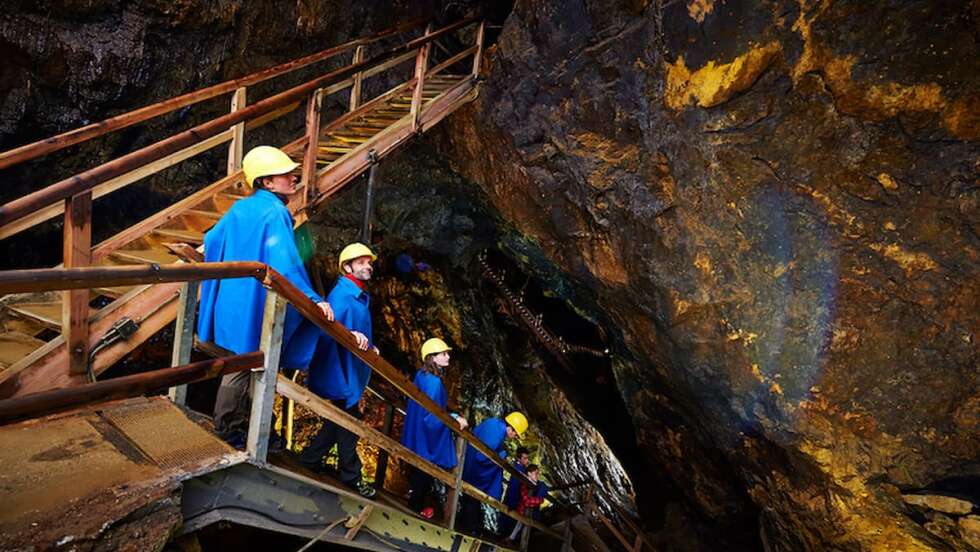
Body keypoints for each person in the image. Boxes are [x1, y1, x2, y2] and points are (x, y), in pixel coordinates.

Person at [197, 145, 334, 448]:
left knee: (241, 361)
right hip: (255, 304)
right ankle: (229, 429)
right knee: (247, 363)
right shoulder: (275, 212)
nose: (293, 177)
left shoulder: (240, 208)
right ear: (266, 182)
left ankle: (249, 427)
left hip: (231, 300)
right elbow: (286, 263)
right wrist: (313, 298)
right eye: (285, 174)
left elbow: (211, 239)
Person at [300, 242, 379, 498]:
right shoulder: (342, 295)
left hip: (348, 367)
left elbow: (359, 331)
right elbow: (331, 329)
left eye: (369, 262)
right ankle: (351, 475)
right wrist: (349, 335)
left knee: (342, 419)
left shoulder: (358, 294)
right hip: (340, 368)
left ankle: (311, 459)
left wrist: (370, 347)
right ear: (347, 267)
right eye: (362, 262)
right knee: (348, 421)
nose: (368, 266)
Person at [400, 338, 468, 519]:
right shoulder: (435, 382)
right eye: (443, 354)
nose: (448, 357)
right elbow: (434, 413)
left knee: (420, 466)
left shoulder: (421, 375)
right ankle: (414, 507)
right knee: (428, 468)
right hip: (426, 432)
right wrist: (454, 418)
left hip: (417, 428)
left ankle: (413, 499)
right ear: (433, 358)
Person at [458, 411, 528, 533]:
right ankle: (467, 530)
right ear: (511, 429)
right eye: (516, 435)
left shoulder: (494, 423)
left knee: (468, 500)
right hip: (474, 472)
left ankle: (464, 526)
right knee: (472, 500)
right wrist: (502, 454)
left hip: (467, 465)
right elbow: (482, 457)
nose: (515, 438)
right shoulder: (497, 433)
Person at [506, 464, 546, 542]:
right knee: (517, 527)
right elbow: (527, 501)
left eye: (538, 473)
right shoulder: (524, 484)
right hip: (521, 511)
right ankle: (510, 539)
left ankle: (512, 539)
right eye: (536, 473)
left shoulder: (536, 485)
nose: (538, 476)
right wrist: (540, 500)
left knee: (521, 528)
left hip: (527, 513)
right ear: (529, 473)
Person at [498, 446, 531, 535]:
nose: (526, 460)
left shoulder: (521, 469)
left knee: (506, 523)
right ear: (519, 458)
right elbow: (513, 487)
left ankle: (501, 535)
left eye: (527, 458)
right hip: (512, 501)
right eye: (524, 458)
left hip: (513, 500)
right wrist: (512, 504)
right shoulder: (518, 470)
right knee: (507, 523)